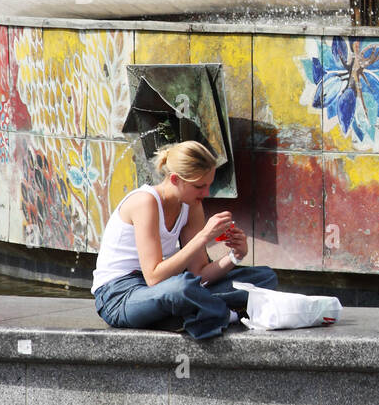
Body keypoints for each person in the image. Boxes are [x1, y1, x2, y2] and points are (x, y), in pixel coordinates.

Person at [92, 141, 278, 340]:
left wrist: (235, 256)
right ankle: (227, 315)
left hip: (163, 289)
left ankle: (189, 314)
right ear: (175, 179)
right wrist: (203, 237)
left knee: (264, 277)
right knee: (180, 289)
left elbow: (199, 274)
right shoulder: (145, 202)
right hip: (120, 295)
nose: (206, 194)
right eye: (199, 186)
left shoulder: (191, 205)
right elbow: (154, 277)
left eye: (209, 185)